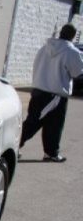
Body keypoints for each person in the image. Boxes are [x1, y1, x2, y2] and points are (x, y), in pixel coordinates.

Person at [20, 23, 83, 162]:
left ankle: (20, 146)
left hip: (38, 90)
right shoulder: (71, 52)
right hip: (55, 95)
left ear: (61, 32)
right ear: (73, 36)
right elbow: (77, 72)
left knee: (33, 121)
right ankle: (50, 153)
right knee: (52, 125)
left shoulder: (44, 48)